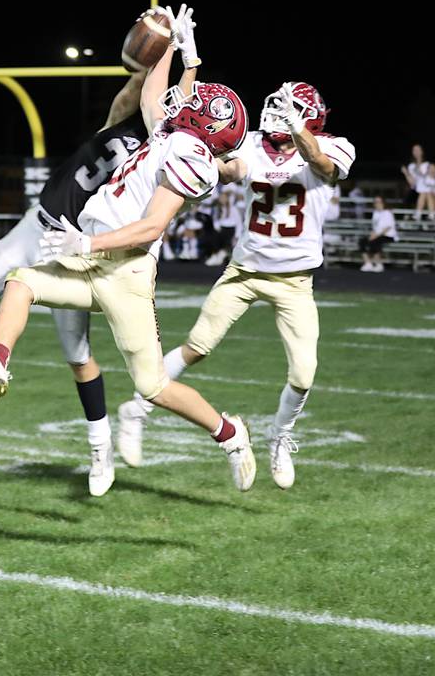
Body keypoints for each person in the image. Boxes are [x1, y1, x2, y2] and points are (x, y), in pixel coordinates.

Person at [0, 6, 200, 497]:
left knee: (77, 354)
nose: (167, 105)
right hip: (36, 225)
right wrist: (164, 45)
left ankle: (99, 446)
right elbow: (140, 87)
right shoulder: (123, 118)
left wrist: (180, 58)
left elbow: (173, 111)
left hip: (74, 246)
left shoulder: (163, 153)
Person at [0, 11, 263, 493]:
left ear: (202, 129)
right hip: (89, 258)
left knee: (153, 387)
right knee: (21, 280)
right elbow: (155, 92)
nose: (187, 100)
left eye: (197, 103)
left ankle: (231, 434)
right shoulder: (172, 136)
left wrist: (85, 241)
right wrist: (178, 48)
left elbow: (150, 227)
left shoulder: (192, 161)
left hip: (125, 275)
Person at [117, 79, 356, 491]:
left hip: (295, 282)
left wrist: (300, 133)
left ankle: (279, 435)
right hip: (243, 272)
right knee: (197, 347)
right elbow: (230, 170)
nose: (276, 116)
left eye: (288, 110)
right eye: (277, 107)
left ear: (309, 118)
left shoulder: (333, 145)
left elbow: (322, 166)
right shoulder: (252, 144)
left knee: (304, 374)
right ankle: (137, 409)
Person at [359, 196, 396, 271]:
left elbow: (388, 228)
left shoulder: (387, 213)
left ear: (383, 203)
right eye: (375, 202)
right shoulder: (375, 213)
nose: (377, 204)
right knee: (362, 241)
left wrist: (376, 235)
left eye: (378, 202)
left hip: (388, 235)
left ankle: (378, 264)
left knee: (375, 242)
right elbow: (375, 227)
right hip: (376, 235)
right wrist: (372, 235)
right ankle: (368, 263)